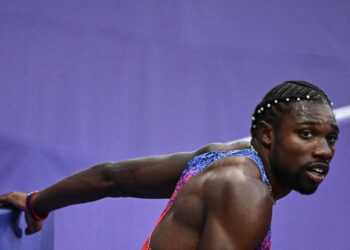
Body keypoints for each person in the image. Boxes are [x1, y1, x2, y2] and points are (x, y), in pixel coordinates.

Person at [0, 80, 339, 249]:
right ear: (267, 135)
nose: (324, 150)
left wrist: (36, 203)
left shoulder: (221, 156)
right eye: (306, 134)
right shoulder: (245, 191)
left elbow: (111, 177)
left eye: (331, 138)